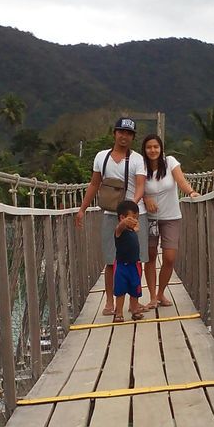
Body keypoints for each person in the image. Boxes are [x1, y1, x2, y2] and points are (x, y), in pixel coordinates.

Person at [75, 116, 148, 315]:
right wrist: (82, 208)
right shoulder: (101, 157)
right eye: (121, 132)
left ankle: (134, 303)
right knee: (110, 259)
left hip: (134, 215)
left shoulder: (137, 159)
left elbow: (141, 185)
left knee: (136, 259)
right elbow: (94, 184)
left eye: (129, 133)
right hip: (110, 215)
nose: (124, 136)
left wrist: (132, 211)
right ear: (114, 133)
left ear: (133, 137)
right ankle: (110, 302)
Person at [140, 133, 196, 308]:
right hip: (149, 219)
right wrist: (145, 199)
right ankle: (153, 297)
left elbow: (181, 181)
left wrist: (191, 192)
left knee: (170, 257)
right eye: (149, 147)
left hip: (171, 217)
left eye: (156, 146)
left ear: (161, 148)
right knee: (150, 257)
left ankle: (161, 292)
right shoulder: (140, 166)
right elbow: (135, 188)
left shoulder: (170, 161)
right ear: (144, 149)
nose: (153, 150)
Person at [112, 199, 146, 322]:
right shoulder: (119, 231)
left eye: (136, 218)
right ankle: (119, 312)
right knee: (120, 290)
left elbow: (136, 228)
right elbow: (120, 226)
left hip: (134, 264)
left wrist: (134, 224)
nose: (135, 221)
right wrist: (124, 222)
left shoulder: (133, 230)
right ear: (122, 217)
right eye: (132, 218)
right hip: (121, 265)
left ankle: (135, 309)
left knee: (135, 289)